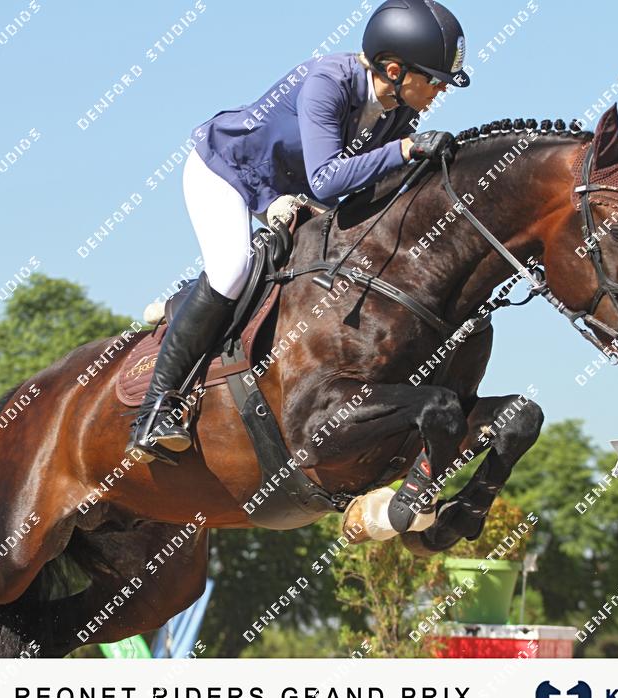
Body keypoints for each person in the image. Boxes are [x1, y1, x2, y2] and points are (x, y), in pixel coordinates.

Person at [126, 0, 469, 463]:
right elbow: (328, 178)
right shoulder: (328, 82)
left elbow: (372, 184)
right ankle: (154, 412)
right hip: (227, 171)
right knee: (231, 270)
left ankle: (190, 298)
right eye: (434, 79)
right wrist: (405, 150)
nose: (440, 90)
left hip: (290, 191)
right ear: (394, 70)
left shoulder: (396, 111)